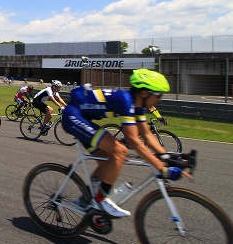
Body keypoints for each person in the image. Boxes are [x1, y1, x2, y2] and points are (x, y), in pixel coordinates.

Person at [61, 69, 183, 218]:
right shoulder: (125, 100)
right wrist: (160, 167)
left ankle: (86, 198)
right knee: (120, 151)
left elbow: (147, 135)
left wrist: (167, 158)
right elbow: (133, 140)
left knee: (109, 160)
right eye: (159, 95)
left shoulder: (137, 106)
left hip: (84, 117)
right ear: (144, 93)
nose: (160, 100)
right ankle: (100, 199)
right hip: (73, 115)